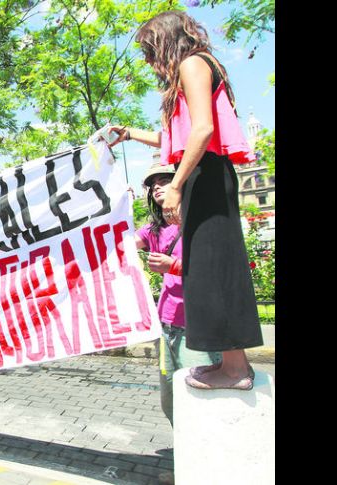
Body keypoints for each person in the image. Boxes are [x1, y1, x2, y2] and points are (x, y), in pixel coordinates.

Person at [109, 10, 261, 390]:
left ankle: (235, 369)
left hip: (204, 175)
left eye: (150, 51)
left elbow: (203, 129)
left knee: (215, 267)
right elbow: (177, 137)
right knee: (207, 269)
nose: (149, 61)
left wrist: (176, 184)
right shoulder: (196, 67)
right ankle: (231, 363)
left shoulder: (193, 64)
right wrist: (129, 134)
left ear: (166, 41)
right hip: (201, 174)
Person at [135, 163, 221, 425]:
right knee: (171, 401)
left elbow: (218, 268)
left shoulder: (202, 221)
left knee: (202, 403)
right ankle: (185, 449)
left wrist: (173, 266)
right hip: (166, 329)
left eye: (164, 181)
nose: (157, 187)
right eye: (153, 185)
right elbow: (119, 244)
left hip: (198, 329)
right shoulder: (154, 230)